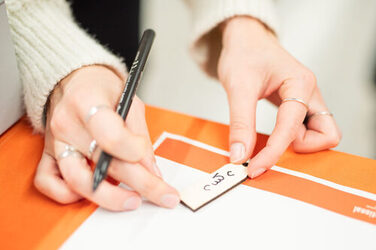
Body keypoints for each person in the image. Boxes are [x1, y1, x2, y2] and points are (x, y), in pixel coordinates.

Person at [5, 0, 341, 211]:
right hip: (18, 70)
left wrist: (241, 19)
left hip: (107, 31)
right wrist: (60, 59)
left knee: (120, 123)